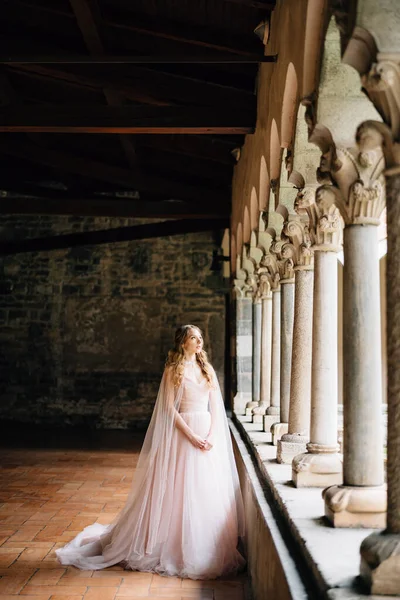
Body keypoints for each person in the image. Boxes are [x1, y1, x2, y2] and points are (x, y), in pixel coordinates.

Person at [56, 324, 246, 580]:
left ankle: (202, 545)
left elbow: (216, 408)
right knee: (179, 488)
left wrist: (210, 437)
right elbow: (169, 409)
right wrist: (191, 436)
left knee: (203, 490)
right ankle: (169, 544)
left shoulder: (207, 370)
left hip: (206, 436)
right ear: (182, 342)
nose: (199, 341)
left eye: (200, 337)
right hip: (184, 435)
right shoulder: (173, 370)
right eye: (193, 337)